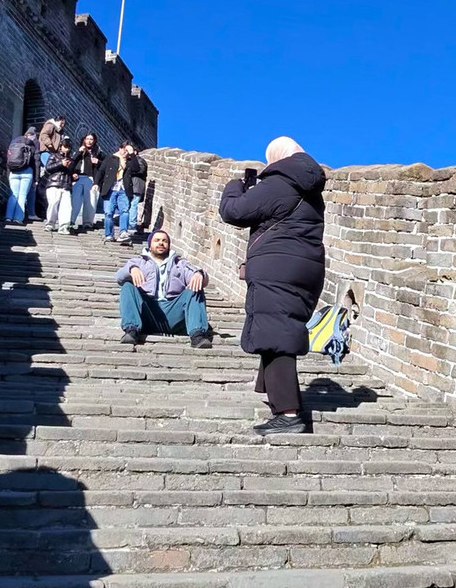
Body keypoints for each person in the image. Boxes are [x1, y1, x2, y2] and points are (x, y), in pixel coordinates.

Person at [219, 136, 326, 435]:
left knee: (275, 331)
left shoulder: (280, 182)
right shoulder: (310, 188)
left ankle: (288, 413)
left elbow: (234, 211)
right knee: (276, 327)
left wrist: (234, 187)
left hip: (277, 265)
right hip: (305, 266)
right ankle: (275, 396)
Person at [115, 230, 212, 348]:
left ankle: (198, 334)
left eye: (164, 241)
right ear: (150, 245)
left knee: (195, 288)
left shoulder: (180, 264)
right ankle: (132, 330)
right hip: (147, 312)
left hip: (173, 312)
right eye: (157, 240)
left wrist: (199, 274)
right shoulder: (138, 262)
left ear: (169, 245)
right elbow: (119, 277)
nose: (161, 243)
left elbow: (196, 275)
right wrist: (131, 269)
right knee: (127, 286)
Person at [4, 126, 40, 224]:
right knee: (22, 195)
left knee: (13, 195)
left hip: (14, 172)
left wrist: (8, 174)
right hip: (27, 173)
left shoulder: (14, 143)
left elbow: (8, 159)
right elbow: (36, 163)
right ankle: (18, 219)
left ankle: (8, 217)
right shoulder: (32, 145)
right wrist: (36, 179)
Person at [70, 132, 103, 232]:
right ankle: (71, 221)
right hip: (78, 178)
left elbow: (105, 165)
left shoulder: (97, 152)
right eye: (87, 139)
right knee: (75, 201)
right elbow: (72, 162)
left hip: (91, 178)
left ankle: (88, 223)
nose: (89, 141)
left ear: (94, 141)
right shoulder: (79, 150)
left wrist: (98, 162)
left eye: (91, 139)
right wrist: (79, 152)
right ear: (84, 140)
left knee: (90, 201)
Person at [43, 137, 76, 234]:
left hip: (66, 185)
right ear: (60, 147)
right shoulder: (54, 156)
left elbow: (71, 172)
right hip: (54, 183)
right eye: (65, 147)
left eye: (68, 147)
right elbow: (48, 168)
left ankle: (64, 227)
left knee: (66, 207)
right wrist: (61, 164)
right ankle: (50, 224)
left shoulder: (71, 160)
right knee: (53, 204)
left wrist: (74, 175)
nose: (67, 149)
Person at [118, 141, 148, 243]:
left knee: (133, 205)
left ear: (134, 151)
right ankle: (127, 224)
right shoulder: (127, 160)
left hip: (136, 187)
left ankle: (132, 224)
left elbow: (140, 170)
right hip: (129, 187)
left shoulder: (140, 160)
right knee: (127, 206)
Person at [98, 143, 126, 243]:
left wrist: (132, 156)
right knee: (108, 213)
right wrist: (96, 183)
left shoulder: (130, 161)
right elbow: (101, 171)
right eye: (125, 150)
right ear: (120, 149)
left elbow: (137, 169)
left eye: (128, 151)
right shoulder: (111, 158)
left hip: (123, 189)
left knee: (124, 211)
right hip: (111, 189)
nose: (126, 152)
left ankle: (123, 233)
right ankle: (109, 234)